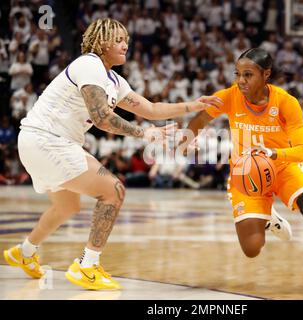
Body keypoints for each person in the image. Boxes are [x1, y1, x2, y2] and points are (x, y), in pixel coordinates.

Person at [3, 18, 222, 291]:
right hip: (47, 140)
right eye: (119, 40)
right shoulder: (89, 64)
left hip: (42, 142)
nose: (125, 45)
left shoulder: (114, 81)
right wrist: (146, 134)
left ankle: (24, 253)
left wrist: (194, 104)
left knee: (67, 206)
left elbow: (151, 109)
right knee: (114, 190)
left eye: (127, 41)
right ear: (101, 41)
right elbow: (102, 118)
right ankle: (87, 266)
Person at [183, 48, 303, 294]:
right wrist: (185, 140)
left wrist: (274, 154)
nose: (240, 81)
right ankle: (269, 219)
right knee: (251, 249)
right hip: (246, 175)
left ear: (266, 75)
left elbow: (300, 152)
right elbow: (200, 120)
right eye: (237, 74)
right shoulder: (230, 96)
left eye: (248, 75)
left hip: (284, 167)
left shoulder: (286, 102)